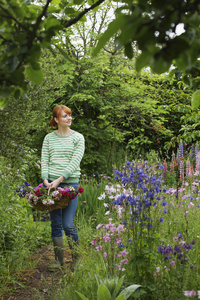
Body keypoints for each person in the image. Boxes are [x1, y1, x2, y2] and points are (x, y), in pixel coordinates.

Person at [41, 105, 85, 269]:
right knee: (56, 224)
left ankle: (77, 260)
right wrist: (45, 179)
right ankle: (59, 261)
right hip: (51, 185)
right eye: (65, 116)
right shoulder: (48, 138)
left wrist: (60, 180)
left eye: (70, 115)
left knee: (68, 225)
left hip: (70, 185)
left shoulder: (78, 138)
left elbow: (75, 162)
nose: (69, 118)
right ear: (56, 119)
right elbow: (44, 160)